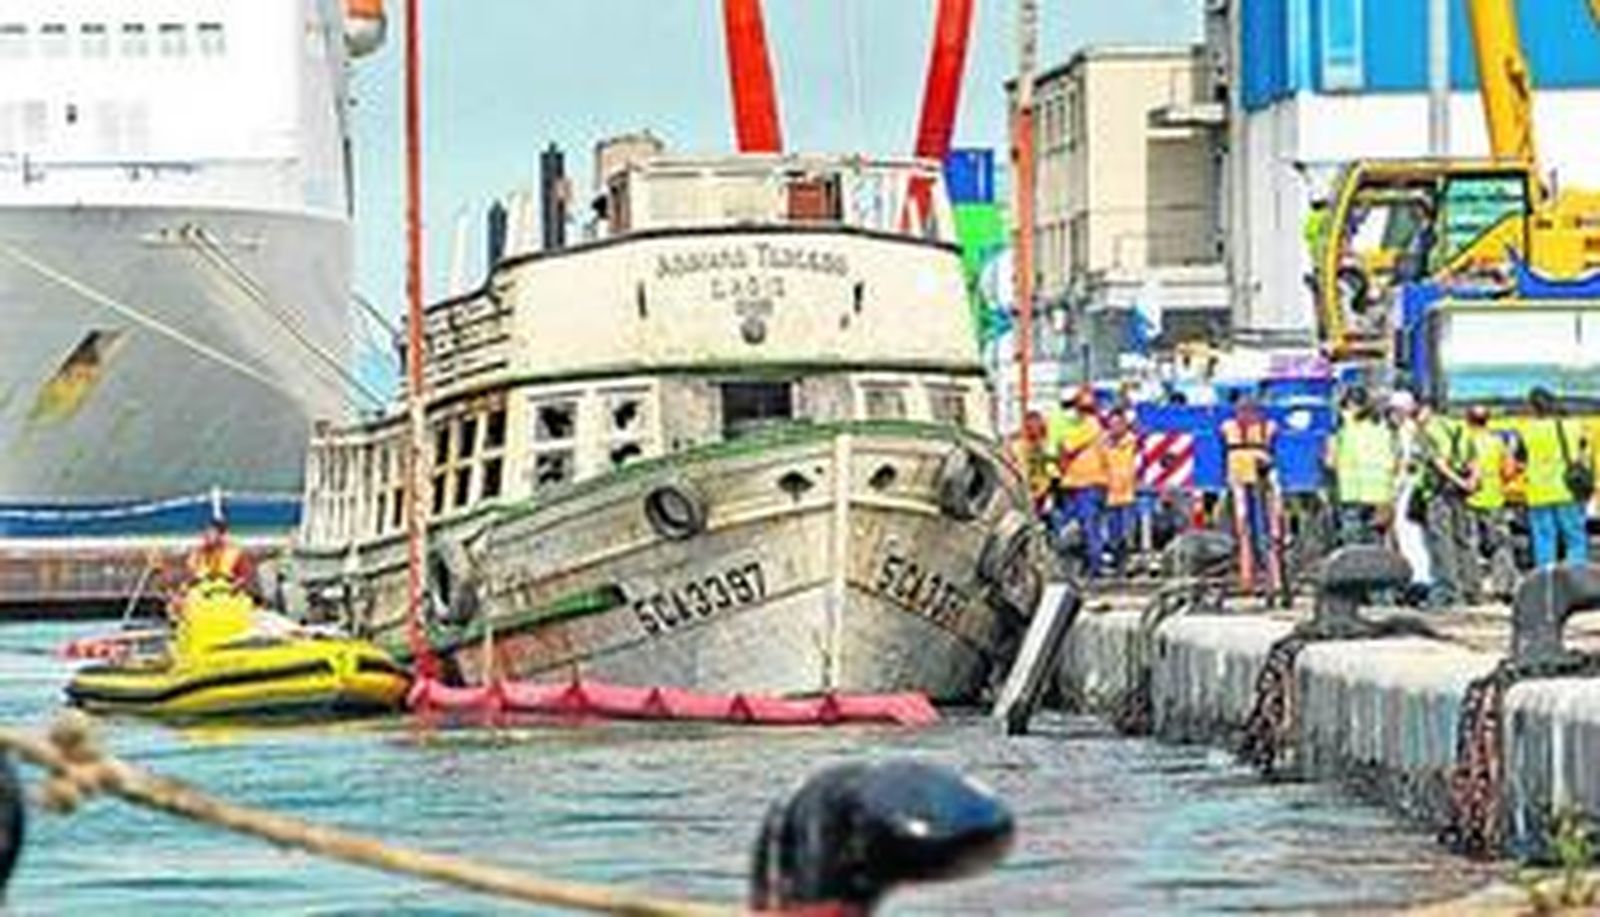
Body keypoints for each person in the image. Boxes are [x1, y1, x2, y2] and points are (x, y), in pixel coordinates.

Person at [1414, 397, 1480, 607]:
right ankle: (1471, 589)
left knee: (1441, 542)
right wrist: (1470, 482)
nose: (1416, 416)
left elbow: (1439, 463)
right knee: (1463, 540)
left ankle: (1448, 591)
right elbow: (1474, 460)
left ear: (1428, 409)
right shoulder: (1461, 427)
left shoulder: (1428, 431)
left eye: (1418, 411)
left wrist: (1459, 481)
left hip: (1438, 493)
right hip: (1460, 494)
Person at [1518, 387, 1592, 568]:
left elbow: (1520, 461)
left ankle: (1547, 579)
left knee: (1544, 540)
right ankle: (1576, 578)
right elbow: (1583, 453)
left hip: (1538, 492)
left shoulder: (1526, 430)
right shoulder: (1573, 426)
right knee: (1574, 538)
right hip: (1567, 490)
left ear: (1533, 408)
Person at [1325, 386, 1399, 547]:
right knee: (1376, 543)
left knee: (1353, 544)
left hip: (1351, 491)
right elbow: (1395, 457)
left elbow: (1329, 460)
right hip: (1380, 492)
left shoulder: (1340, 425)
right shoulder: (1383, 424)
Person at [1221, 389, 1278, 594]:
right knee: (1244, 528)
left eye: (1250, 409)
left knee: (1265, 528)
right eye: (1243, 409)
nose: (1246, 414)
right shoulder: (1229, 427)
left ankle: (1269, 575)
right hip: (1239, 479)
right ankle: (1248, 576)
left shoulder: (1267, 427)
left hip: (1260, 480)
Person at [1048, 386, 1109, 577]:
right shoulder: (1065, 423)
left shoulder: (1092, 425)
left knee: (1089, 525)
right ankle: (1075, 566)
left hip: (1089, 483)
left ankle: (1093, 566)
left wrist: (1062, 452)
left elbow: (1067, 447)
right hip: (1070, 483)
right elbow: (1056, 450)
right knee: (1071, 526)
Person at [1464, 405, 1519, 600]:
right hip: (1494, 499)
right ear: (1488, 420)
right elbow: (1509, 472)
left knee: (1470, 545)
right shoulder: (1497, 442)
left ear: (1468, 420)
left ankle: (1472, 588)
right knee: (1500, 545)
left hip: (1468, 499)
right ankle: (1502, 586)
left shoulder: (1463, 440)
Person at [1102, 412, 1141, 576]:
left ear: (1125, 425)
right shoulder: (1102, 444)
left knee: (1128, 533)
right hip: (1109, 496)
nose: (1115, 427)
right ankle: (1117, 565)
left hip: (1128, 495)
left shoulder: (1134, 443)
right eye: (1112, 424)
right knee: (1113, 535)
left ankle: (1127, 563)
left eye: (1118, 424)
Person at [1004, 410, 1055, 521]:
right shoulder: (1019, 444)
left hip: (1041, 487)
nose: (1033, 430)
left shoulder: (1045, 443)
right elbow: (1010, 457)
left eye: (1036, 426)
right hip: (1026, 486)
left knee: (1039, 513)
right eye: (1029, 427)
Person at [185, 520, 254, 592]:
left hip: (228, 592)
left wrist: (235, 585)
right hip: (203, 591)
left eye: (210, 533)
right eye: (204, 533)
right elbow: (190, 578)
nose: (205, 536)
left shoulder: (234, 553)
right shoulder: (197, 554)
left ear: (221, 535)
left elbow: (244, 577)